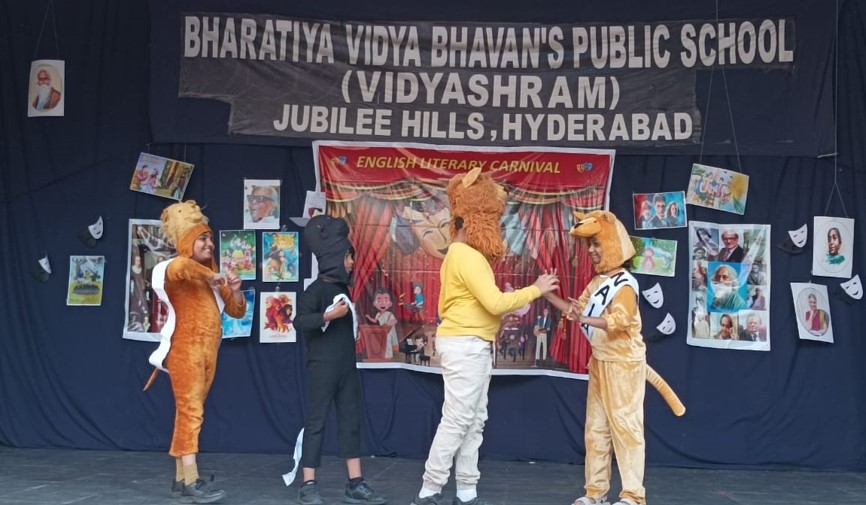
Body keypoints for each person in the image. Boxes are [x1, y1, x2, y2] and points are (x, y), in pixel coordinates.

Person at [412, 167, 559, 505]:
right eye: (493, 219)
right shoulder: (467, 256)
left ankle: (466, 492)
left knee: (474, 421)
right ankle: (429, 491)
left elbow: (480, 305)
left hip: (470, 344)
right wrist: (536, 289)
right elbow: (494, 303)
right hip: (465, 346)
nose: (496, 227)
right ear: (475, 220)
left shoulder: (460, 254)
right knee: (459, 419)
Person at [542, 210, 683, 505]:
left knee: (626, 429)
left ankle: (633, 495)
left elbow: (617, 322)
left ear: (612, 244)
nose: (591, 250)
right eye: (589, 245)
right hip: (600, 363)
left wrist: (584, 318)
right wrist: (545, 294)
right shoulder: (598, 282)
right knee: (596, 431)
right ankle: (595, 493)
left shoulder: (625, 285)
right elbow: (577, 311)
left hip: (624, 366)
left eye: (597, 244)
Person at [142, 200, 247, 504]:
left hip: (208, 353)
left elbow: (237, 311)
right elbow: (181, 267)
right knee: (191, 411)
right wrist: (211, 276)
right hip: (185, 350)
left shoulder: (211, 275)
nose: (210, 243)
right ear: (188, 242)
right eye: (203, 238)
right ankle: (191, 480)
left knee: (188, 412)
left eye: (210, 238)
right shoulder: (178, 268)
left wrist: (235, 289)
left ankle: (179, 479)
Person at [294, 215, 386, 505]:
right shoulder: (315, 291)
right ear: (333, 257)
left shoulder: (342, 290)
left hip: (346, 368)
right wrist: (327, 315)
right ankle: (308, 484)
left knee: (350, 421)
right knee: (316, 422)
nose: (351, 262)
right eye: (347, 256)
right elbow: (299, 321)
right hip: (322, 369)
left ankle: (355, 482)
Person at [365, 288, 398, 359]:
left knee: (387, 346)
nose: (382, 303)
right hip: (379, 334)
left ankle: (388, 357)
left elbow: (394, 321)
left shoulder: (389, 314)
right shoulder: (378, 314)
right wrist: (369, 318)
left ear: (390, 303)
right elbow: (375, 321)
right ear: (374, 303)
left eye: (385, 301)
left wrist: (388, 325)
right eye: (379, 301)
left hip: (387, 334)